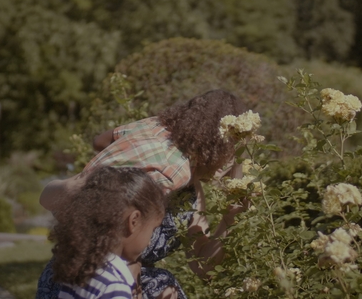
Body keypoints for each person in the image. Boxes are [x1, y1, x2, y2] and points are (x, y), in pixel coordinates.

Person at [37, 89, 249, 299]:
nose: (233, 161)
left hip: (95, 277)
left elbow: (204, 267)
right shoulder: (167, 172)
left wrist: (229, 218)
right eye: (234, 150)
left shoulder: (189, 189)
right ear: (217, 144)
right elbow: (112, 241)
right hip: (94, 282)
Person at [51, 166, 166, 299]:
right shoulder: (114, 286)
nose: (150, 241)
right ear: (134, 221)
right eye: (152, 230)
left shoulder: (84, 270)